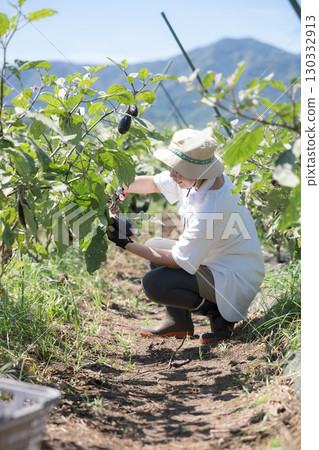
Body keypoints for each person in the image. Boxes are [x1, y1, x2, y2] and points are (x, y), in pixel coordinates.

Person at [108, 128, 265, 344]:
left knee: (155, 283)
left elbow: (178, 261)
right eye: (173, 167)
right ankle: (178, 322)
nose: (172, 174)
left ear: (198, 171)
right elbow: (154, 183)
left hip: (233, 277)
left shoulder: (213, 206)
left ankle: (218, 313)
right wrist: (120, 189)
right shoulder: (197, 175)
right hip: (214, 262)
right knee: (154, 245)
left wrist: (124, 243)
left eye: (178, 170)